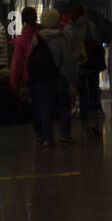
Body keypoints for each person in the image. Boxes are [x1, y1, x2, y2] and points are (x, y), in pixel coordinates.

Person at [27, 9, 73, 147]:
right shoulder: (60, 38)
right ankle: (64, 135)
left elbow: (30, 58)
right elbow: (67, 60)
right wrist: (72, 78)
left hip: (41, 79)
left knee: (44, 107)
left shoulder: (37, 38)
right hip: (59, 77)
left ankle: (48, 137)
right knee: (64, 106)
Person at [76, 7, 107, 137]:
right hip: (92, 64)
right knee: (93, 91)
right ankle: (94, 123)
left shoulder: (69, 29)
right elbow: (98, 42)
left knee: (83, 94)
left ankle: (85, 125)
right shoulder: (91, 26)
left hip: (79, 65)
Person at [8, 6, 40, 100]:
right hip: (47, 75)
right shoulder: (42, 33)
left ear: (23, 20)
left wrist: (13, 84)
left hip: (30, 76)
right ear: (36, 17)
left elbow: (16, 63)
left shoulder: (21, 39)